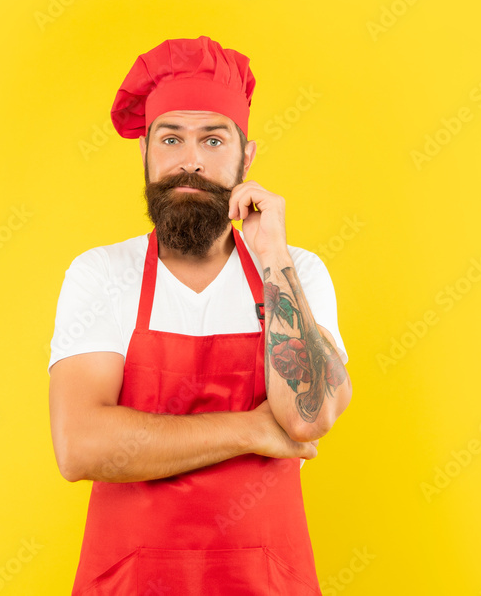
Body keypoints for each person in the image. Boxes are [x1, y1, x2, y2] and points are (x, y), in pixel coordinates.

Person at [48, 35, 352, 595]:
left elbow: (308, 418)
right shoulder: (101, 273)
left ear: (247, 157)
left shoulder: (296, 272)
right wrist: (255, 430)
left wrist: (273, 256)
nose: (191, 160)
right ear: (145, 152)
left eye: (213, 139)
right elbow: (81, 444)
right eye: (171, 138)